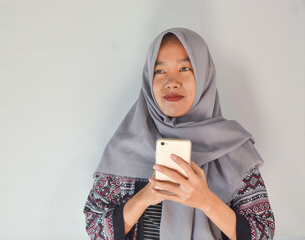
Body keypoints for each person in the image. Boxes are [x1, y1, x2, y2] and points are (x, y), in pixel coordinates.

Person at [83, 27, 275, 240]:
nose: (171, 82)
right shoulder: (125, 146)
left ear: (204, 76)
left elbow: (263, 233)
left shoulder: (233, 148)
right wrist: (145, 197)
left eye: (184, 68)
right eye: (160, 71)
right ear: (149, 79)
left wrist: (205, 200)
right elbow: (95, 227)